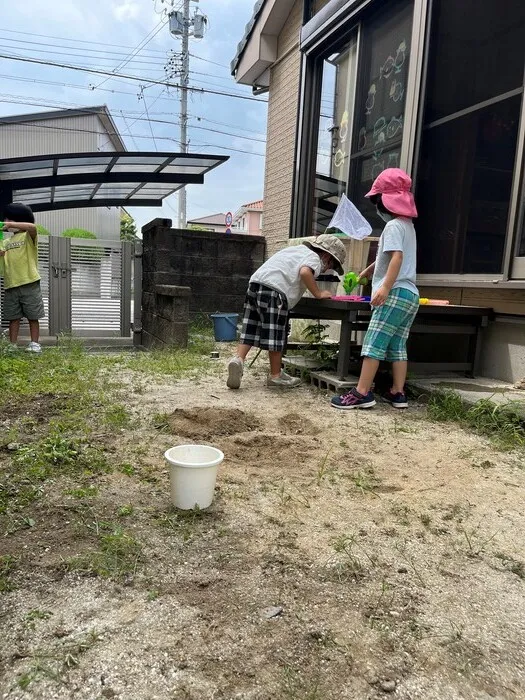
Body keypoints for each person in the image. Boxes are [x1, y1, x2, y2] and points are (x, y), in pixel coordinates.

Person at [331, 168, 419, 410]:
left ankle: (362, 393)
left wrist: (384, 288)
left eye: (376, 201)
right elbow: (387, 256)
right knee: (397, 345)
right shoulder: (407, 226)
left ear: (384, 201)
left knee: (373, 342)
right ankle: (397, 392)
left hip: (395, 291)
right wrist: (368, 272)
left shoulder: (392, 227)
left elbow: (396, 258)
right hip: (410, 294)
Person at [227, 234, 346, 389]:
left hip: (255, 284)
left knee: (250, 328)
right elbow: (304, 272)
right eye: (331, 265)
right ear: (326, 256)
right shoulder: (315, 258)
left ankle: (239, 360)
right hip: (275, 291)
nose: (327, 269)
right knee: (275, 335)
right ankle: (276, 376)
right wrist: (318, 293)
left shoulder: (296, 250)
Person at [0, 202, 44, 353]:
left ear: (18, 219)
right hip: (11, 284)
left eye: (8, 219)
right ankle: (12, 345)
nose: (5, 222)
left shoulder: (28, 237)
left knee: (33, 315)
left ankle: (35, 344)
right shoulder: (5, 242)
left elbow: (32, 227)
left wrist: (12, 223)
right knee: (13, 317)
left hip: (29, 281)